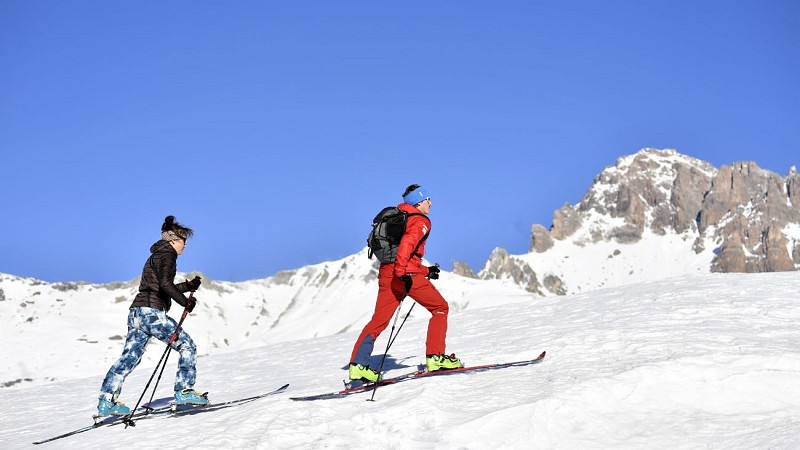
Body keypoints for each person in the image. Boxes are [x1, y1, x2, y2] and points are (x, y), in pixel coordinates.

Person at [349, 184, 463, 382]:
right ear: (419, 201)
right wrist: (403, 272)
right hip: (405, 275)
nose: (431, 203)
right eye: (428, 199)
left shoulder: (400, 217)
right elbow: (407, 246)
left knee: (378, 321)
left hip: (387, 273)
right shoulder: (420, 221)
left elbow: (401, 255)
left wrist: (426, 271)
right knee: (440, 308)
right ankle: (436, 358)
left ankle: (358, 366)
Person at [96, 215, 208, 417]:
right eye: (184, 241)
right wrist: (186, 302)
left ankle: (106, 401)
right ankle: (185, 391)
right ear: (173, 240)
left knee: (129, 358)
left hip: (137, 312)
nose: (185, 246)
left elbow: (159, 286)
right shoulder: (168, 255)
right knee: (187, 346)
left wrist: (187, 287)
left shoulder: (156, 254)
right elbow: (165, 285)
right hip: (152, 313)